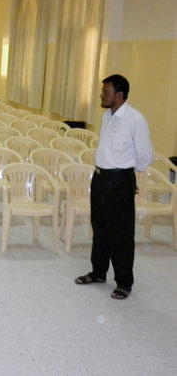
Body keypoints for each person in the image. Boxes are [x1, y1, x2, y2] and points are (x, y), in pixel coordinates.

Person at [75, 74, 153, 299]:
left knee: (121, 233)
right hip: (100, 178)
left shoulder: (135, 119)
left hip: (119, 180)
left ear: (119, 95)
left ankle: (124, 282)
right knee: (100, 228)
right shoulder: (106, 116)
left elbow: (145, 156)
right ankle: (98, 272)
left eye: (105, 91)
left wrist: (126, 177)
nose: (101, 95)